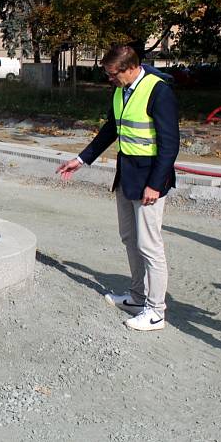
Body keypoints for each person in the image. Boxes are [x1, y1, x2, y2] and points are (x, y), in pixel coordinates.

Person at [56, 45, 179, 331]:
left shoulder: (159, 91)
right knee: (129, 238)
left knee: (150, 246)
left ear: (130, 68)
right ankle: (137, 298)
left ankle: (156, 311)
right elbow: (111, 129)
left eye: (112, 74)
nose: (109, 79)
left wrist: (155, 184)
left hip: (149, 181)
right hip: (126, 176)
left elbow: (170, 144)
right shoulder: (121, 91)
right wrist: (81, 159)